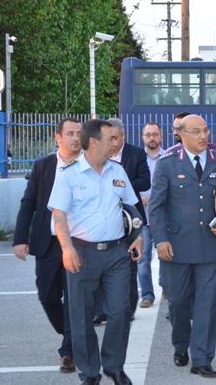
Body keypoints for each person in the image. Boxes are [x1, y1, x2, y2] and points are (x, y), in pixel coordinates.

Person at [48, 119, 143, 385]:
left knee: (120, 311)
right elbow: (59, 215)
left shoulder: (117, 170)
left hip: (117, 253)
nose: (117, 143)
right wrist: (67, 249)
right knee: (81, 315)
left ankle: (114, 366)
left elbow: (132, 206)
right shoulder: (69, 174)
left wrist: (137, 237)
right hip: (82, 252)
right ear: (93, 142)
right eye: (111, 138)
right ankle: (90, 371)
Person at [149, 114, 216, 379]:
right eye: (196, 131)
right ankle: (181, 344)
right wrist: (161, 240)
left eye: (205, 130)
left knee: (206, 303)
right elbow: (156, 206)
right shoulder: (167, 164)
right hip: (176, 246)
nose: (203, 136)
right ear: (180, 134)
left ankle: (202, 358)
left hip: (210, 245)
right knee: (179, 301)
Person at [13, 118, 82, 374]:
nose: (76, 138)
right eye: (70, 133)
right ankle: (75, 333)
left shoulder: (88, 165)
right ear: (58, 137)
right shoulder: (43, 166)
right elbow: (29, 202)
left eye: (79, 133)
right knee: (47, 296)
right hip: (48, 243)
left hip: (78, 243)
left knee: (74, 298)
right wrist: (21, 238)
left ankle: (70, 350)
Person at [108, 118, 151, 317]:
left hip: (131, 217)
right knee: (107, 266)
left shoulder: (136, 153)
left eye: (115, 138)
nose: (111, 142)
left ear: (123, 136)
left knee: (131, 264)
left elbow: (145, 181)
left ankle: (130, 307)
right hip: (107, 219)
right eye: (108, 138)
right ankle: (104, 309)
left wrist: (120, 185)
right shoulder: (99, 154)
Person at [137, 121, 166, 308]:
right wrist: (139, 198)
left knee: (167, 254)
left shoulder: (168, 158)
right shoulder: (138, 159)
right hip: (143, 217)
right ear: (143, 137)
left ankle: (167, 288)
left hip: (163, 216)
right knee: (143, 257)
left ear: (161, 136)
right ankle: (147, 294)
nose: (152, 138)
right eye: (148, 135)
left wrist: (153, 198)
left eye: (155, 134)